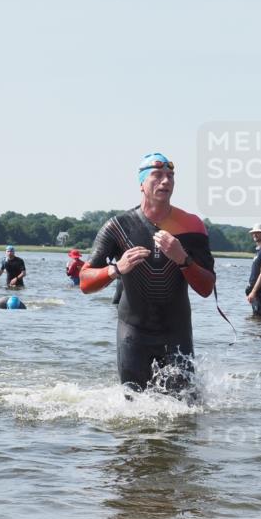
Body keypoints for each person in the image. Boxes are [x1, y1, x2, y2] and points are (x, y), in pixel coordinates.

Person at [79, 152, 215, 394]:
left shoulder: (192, 225)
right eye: (157, 175)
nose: (166, 181)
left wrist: (183, 259)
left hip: (177, 333)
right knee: (133, 410)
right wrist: (115, 269)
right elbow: (85, 282)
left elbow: (206, 288)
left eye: (171, 176)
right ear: (141, 183)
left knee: (184, 409)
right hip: (133, 332)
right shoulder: (118, 226)